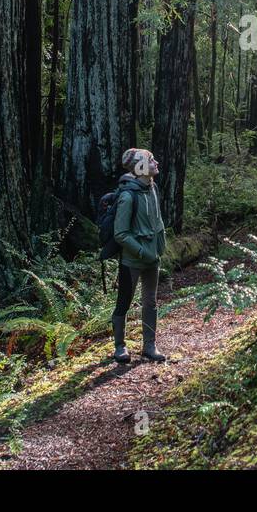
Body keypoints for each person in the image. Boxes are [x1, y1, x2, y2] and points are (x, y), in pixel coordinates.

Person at [111, 148, 168, 363]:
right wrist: (142, 251)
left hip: (153, 259)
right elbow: (121, 234)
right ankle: (120, 347)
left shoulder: (152, 189)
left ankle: (149, 346)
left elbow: (158, 222)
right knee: (124, 303)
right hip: (132, 261)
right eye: (151, 160)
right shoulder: (127, 196)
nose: (156, 163)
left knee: (150, 302)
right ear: (141, 167)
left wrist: (158, 249)